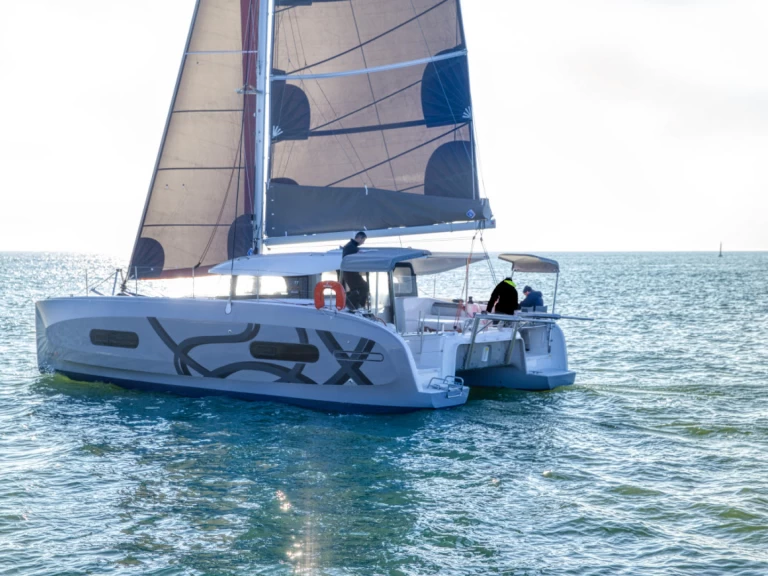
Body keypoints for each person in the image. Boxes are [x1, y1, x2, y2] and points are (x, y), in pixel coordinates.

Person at [341, 232, 368, 309]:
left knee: (357, 289)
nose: (363, 243)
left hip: (350, 272)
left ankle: (353, 305)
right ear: (359, 238)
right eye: (363, 240)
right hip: (350, 273)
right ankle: (357, 305)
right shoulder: (351, 247)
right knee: (364, 287)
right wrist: (359, 253)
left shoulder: (351, 246)